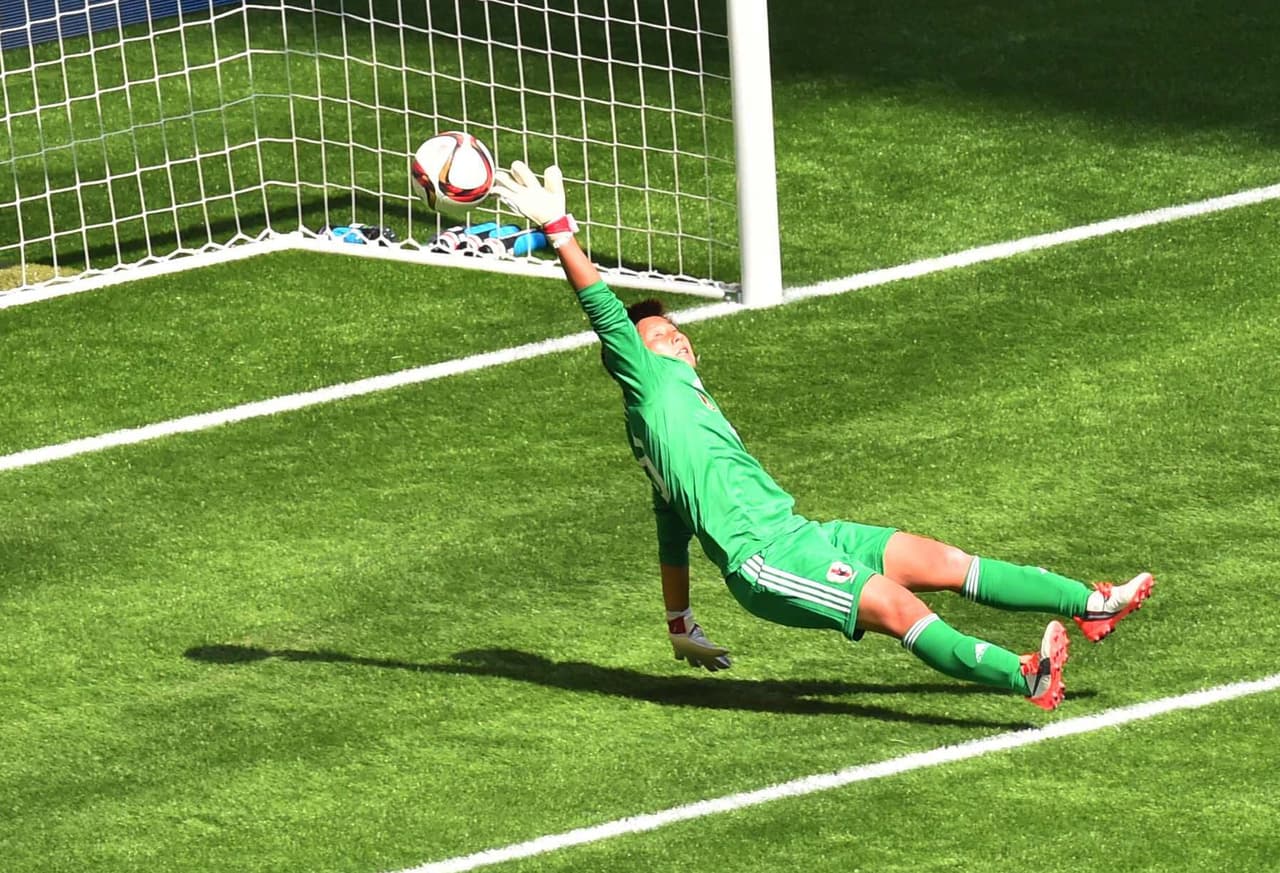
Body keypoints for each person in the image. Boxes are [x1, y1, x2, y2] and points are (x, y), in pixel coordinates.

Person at [492, 162, 1155, 711]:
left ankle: (1093, 604)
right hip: (767, 563)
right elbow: (604, 309)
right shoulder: (648, 386)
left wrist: (677, 621)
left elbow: (671, 528)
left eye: (675, 331)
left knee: (948, 562)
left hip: (808, 533)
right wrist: (559, 230)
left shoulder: (672, 419)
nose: (677, 337)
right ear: (633, 362)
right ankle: (1026, 676)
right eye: (660, 338)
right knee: (898, 608)